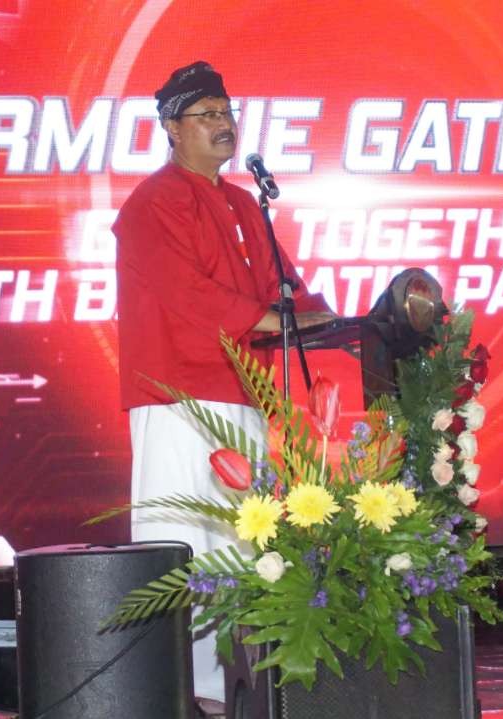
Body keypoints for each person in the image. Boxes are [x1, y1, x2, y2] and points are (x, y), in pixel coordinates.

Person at [112, 61, 333, 713]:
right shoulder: (153, 203)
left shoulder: (243, 204)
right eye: (207, 114)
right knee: (186, 539)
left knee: (245, 541)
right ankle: (188, 688)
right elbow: (188, 294)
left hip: (243, 395)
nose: (223, 125)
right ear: (171, 128)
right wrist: (266, 318)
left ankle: (242, 682)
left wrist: (321, 313)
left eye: (227, 113)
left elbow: (281, 288)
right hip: (176, 396)